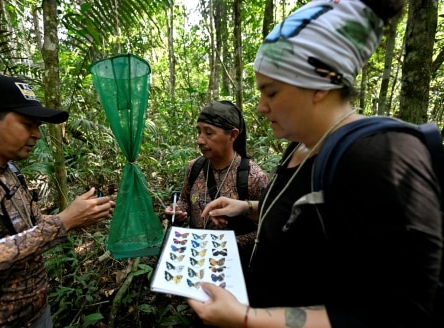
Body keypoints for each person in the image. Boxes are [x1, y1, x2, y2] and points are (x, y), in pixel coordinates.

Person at [187, 1, 442, 327]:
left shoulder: (380, 158)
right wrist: (247, 207)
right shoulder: (303, 143)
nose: (261, 107)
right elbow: (308, 218)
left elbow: (397, 313)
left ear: (319, 81)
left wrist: (247, 319)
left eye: (272, 92)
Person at [0, 74, 116, 327]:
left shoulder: (8, 169)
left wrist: (79, 216)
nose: (37, 135)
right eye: (28, 124)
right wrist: (63, 222)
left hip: (36, 313)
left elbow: (29, 231)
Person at [164, 100, 269, 266]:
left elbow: (268, 229)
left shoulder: (253, 177)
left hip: (235, 267)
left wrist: (228, 244)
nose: (200, 140)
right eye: (199, 132)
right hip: (196, 260)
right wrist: (178, 211)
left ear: (233, 135)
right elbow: (184, 199)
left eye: (209, 133)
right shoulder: (195, 167)